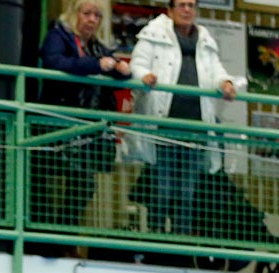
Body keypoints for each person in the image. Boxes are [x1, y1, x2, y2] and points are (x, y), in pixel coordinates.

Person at [128, 0, 244, 243]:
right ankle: (156, 238)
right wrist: (145, 76)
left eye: (191, 5)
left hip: (195, 129)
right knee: (162, 189)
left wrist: (225, 83)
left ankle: (182, 241)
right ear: (170, 10)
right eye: (181, 4)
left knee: (186, 192)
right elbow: (137, 64)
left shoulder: (205, 39)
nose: (187, 10)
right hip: (163, 127)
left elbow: (217, 72)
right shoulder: (152, 34)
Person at [31, 0, 131, 246]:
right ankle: (40, 242)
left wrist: (122, 69)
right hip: (58, 122)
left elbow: (111, 66)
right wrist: (94, 65)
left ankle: (64, 241)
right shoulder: (58, 36)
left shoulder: (96, 46)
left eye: (97, 16)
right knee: (44, 183)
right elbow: (55, 62)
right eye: (87, 14)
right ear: (73, 13)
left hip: (87, 128)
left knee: (84, 185)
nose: (92, 20)